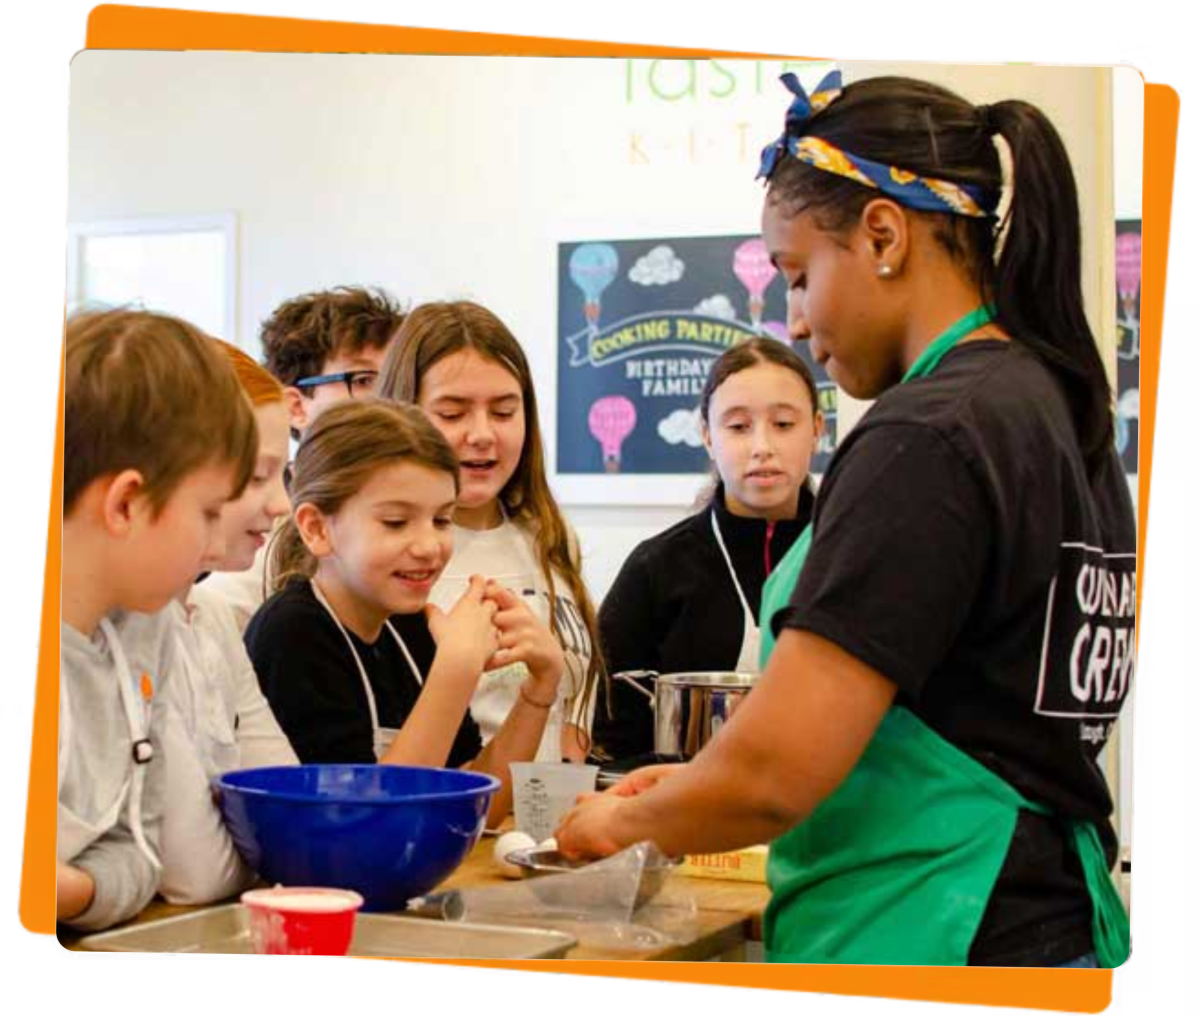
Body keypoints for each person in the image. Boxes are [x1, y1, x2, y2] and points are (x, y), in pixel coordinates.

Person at [556, 71, 1134, 969]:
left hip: (939, 924)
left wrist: (623, 821)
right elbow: (972, 716)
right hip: (1054, 917)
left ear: (881, 235)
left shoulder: (930, 435)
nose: (793, 320)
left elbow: (778, 772)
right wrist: (700, 786)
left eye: (797, 276)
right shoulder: (1058, 411)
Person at [244, 399, 564, 825]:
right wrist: (456, 670)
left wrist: (540, 687)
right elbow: (361, 823)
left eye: (442, 520)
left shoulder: (409, 624)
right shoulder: (293, 632)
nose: (429, 546)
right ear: (317, 529)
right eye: (396, 522)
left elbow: (471, 807)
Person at [58, 309, 257, 930]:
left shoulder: (145, 633)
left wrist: (68, 890)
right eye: (207, 511)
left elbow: (139, 853)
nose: (217, 542)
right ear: (125, 503)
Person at [377, 301, 603, 763]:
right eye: (453, 413)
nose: (482, 434)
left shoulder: (550, 536)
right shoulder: (386, 558)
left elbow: (575, 698)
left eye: (503, 412)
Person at [591, 338, 821, 761]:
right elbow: (612, 742)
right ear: (707, 436)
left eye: (784, 424)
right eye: (737, 426)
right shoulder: (654, 569)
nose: (762, 447)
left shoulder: (849, 557)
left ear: (817, 430)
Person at [144, 339, 299, 905]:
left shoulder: (207, 616)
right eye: (257, 477)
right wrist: (264, 860)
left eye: (283, 474)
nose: (280, 504)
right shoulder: (131, 632)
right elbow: (196, 873)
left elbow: (287, 809)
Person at [202, 286, 407, 631]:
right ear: (296, 407)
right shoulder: (252, 540)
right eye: (363, 379)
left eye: (396, 379)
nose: (391, 399)